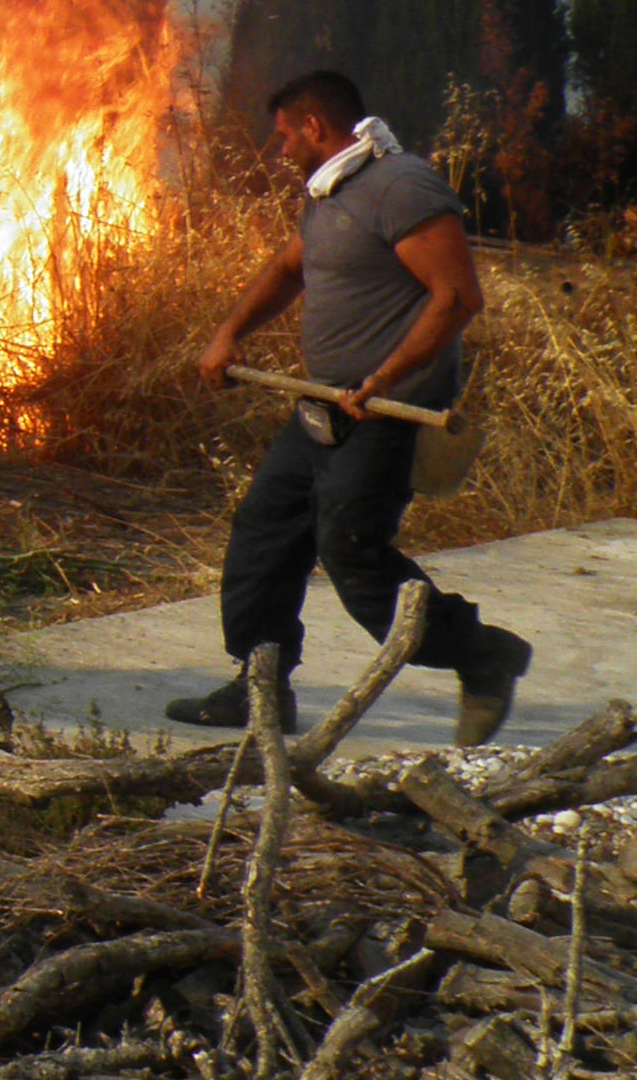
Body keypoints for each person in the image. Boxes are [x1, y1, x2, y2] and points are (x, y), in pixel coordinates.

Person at [176, 68, 531, 745]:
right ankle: (260, 691)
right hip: (323, 407)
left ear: (315, 127)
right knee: (264, 534)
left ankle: (483, 654)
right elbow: (289, 269)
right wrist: (228, 335)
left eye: (285, 135)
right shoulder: (333, 191)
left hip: (388, 414)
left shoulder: (402, 188)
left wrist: (384, 378)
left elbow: (456, 297)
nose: (279, 149)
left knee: (354, 553)